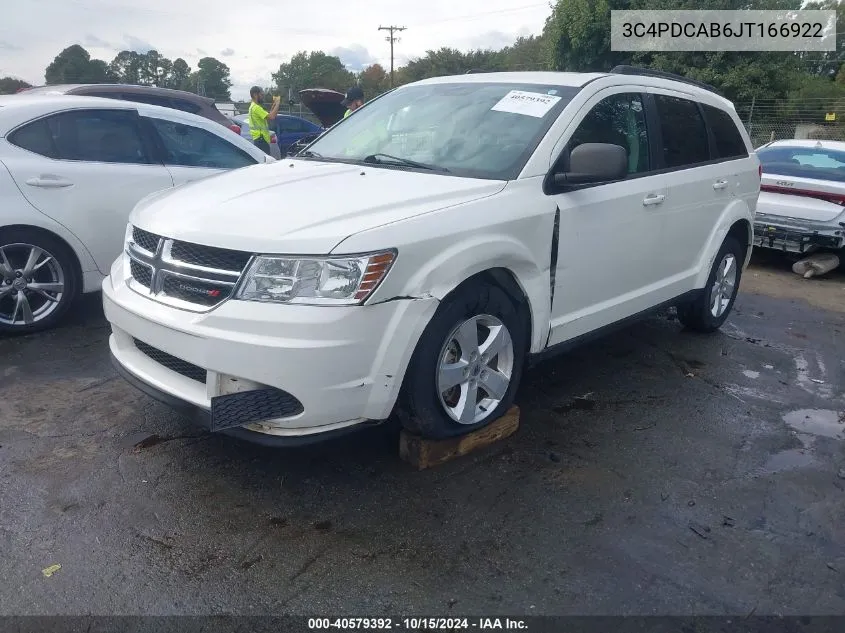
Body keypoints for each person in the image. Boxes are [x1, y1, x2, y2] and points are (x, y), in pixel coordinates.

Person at [248, 86, 280, 154]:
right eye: (261, 94)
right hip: (261, 139)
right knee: (265, 162)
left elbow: (268, 117)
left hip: (259, 139)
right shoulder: (256, 108)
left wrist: (274, 105)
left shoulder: (252, 106)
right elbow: (272, 117)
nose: (262, 96)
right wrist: (277, 103)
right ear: (255, 95)